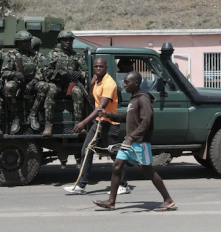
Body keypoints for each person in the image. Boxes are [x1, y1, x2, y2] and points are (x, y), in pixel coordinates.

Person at [93, 71, 176, 212]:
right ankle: (111, 202)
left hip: (140, 143)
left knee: (149, 171)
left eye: (127, 82)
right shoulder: (134, 99)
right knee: (117, 167)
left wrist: (131, 138)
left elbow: (146, 122)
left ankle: (168, 200)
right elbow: (127, 117)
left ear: (136, 83)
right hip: (129, 142)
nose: (124, 84)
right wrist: (108, 115)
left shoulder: (143, 99)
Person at [63, 57, 130, 195]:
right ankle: (81, 185)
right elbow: (93, 100)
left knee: (114, 154)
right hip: (99, 122)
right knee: (86, 150)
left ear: (106, 68)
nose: (98, 68)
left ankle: (123, 185)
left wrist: (83, 122)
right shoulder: (98, 82)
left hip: (110, 124)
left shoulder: (109, 83)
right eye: (96, 66)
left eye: (101, 66)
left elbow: (101, 107)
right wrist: (92, 85)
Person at [1, 30, 50, 134]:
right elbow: (4, 72)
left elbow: (43, 70)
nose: (27, 44)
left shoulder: (36, 55)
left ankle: (32, 115)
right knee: (8, 87)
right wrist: (15, 74)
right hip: (17, 82)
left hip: (32, 82)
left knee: (44, 86)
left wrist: (33, 82)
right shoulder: (11, 55)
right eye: (24, 42)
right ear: (18, 43)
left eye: (28, 41)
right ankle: (15, 118)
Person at [44, 31, 87, 127]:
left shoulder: (76, 55)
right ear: (60, 41)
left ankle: (78, 123)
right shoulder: (52, 54)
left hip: (71, 85)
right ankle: (48, 124)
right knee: (51, 90)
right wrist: (58, 74)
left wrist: (79, 74)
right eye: (65, 40)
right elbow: (45, 72)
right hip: (57, 84)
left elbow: (86, 71)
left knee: (78, 91)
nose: (68, 42)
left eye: (70, 40)